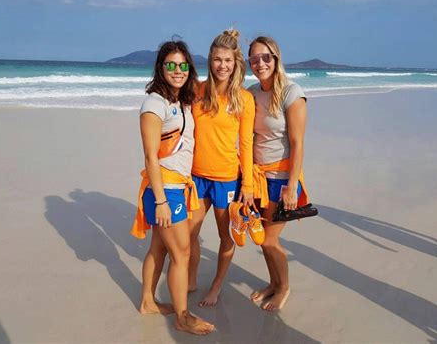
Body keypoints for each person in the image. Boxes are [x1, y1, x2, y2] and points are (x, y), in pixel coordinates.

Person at [131, 40, 214, 335]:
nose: (177, 70)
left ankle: (147, 302)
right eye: (170, 65)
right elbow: (150, 156)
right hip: (166, 190)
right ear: (160, 67)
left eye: (182, 65)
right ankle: (182, 316)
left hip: (175, 187)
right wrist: (163, 201)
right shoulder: (155, 104)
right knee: (181, 255)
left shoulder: (180, 100)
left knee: (159, 248)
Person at [188, 29, 255, 307]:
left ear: (236, 62)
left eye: (227, 60)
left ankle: (216, 285)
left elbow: (247, 145)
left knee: (225, 237)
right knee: (189, 233)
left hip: (227, 180)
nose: (222, 65)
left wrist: (248, 185)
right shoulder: (196, 91)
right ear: (210, 61)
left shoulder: (243, 100)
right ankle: (190, 276)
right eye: (217, 59)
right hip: (195, 176)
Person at [247, 36, 310, 311]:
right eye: (254, 59)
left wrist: (291, 186)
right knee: (262, 238)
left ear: (276, 58)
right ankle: (273, 283)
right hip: (258, 178)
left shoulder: (291, 92)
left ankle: (283, 287)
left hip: (282, 179)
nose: (260, 63)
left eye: (265, 57)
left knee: (269, 239)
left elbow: (297, 144)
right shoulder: (252, 92)